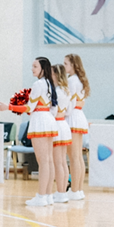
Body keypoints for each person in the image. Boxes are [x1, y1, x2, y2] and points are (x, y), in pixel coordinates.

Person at [0, 57, 59, 207]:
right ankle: (47, 195)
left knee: (43, 161)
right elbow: (53, 109)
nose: (32, 69)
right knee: (48, 160)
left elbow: (29, 108)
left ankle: (41, 196)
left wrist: (8, 107)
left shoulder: (38, 84)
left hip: (40, 122)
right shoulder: (49, 83)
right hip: (49, 121)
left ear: (43, 68)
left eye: (35, 66)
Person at [64, 54, 90, 200]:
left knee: (74, 157)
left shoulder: (71, 81)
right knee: (78, 157)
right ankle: (78, 189)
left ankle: (74, 190)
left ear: (73, 65)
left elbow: (69, 103)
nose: (64, 67)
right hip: (79, 116)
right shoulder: (81, 80)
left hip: (72, 117)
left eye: (66, 64)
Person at [51, 64, 72, 203]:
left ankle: (60, 192)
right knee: (63, 162)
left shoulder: (56, 92)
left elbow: (52, 111)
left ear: (56, 75)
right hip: (64, 124)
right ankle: (62, 191)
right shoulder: (66, 91)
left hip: (56, 125)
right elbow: (69, 111)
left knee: (58, 162)